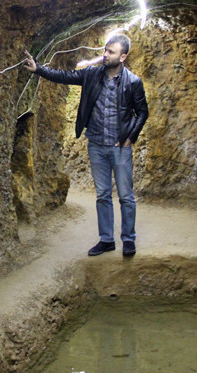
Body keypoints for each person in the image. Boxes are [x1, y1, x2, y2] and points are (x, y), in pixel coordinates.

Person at [23, 33, 148, 257]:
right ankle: (106, 240)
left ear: (122, 57)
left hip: (120, 147)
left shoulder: (133, 82)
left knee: (126, 196)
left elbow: (142, 113)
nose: (105, 54)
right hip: (97, 144)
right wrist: (38, 69)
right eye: (106, 50)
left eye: (111, 52)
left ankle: (128, 239)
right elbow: (65, 75)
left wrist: (131, 136)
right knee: (102, 194)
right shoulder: (92, 74)